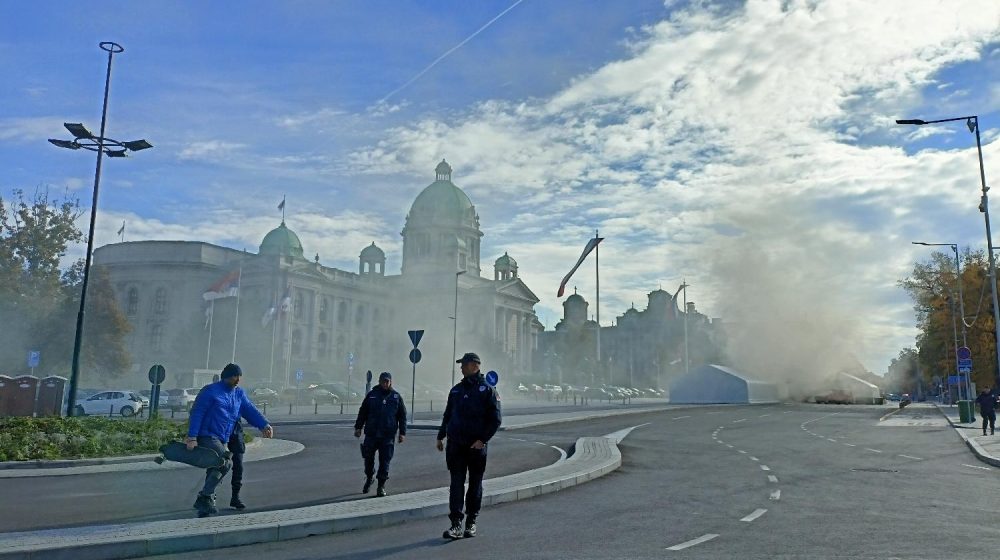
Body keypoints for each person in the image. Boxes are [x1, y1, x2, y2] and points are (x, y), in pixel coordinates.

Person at [186, 363, 273, 517]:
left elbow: (250, 410)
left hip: (223, 438)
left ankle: (206, 501)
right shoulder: (210, 392)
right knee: (224, 462)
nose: (238, 379)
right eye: (234, 376)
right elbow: (197, 413)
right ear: (226, 377)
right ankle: (205, 497)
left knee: (217, 466)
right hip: (207, 435)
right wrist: (192, 437)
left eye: (239, 376)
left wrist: (264, 424)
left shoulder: (238, 394)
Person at [436, 352, 502, 539]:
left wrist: (483, 439)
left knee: (475, 484)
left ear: (475, 366)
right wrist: (440, 436)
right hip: (456, 445)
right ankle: (455, 524)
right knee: (456, 484)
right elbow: (448, 415)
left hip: (476, 447)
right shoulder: (456, 390)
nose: (461, 368)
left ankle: (471, 522)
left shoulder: (487, 390)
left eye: (464, 364)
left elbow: (495, 419)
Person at [354, 371, 407, 497]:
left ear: (391, 382)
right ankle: (369, 476)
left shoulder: (396, 397)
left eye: (387, 381)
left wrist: (402, 433)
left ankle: (381, 486)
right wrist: (358, 427)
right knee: (368, 459)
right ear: (379, 381)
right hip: (372, 434)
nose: (385, 383)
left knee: (385, 462)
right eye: (383, 381)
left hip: (387, 435)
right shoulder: (372, 395)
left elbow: (402, 416)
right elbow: (363, 412)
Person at [228, 420, 247, 509]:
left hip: (236, 431)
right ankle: (208, 497)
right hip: (217, 431)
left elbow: (249, 409)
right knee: (216, 465)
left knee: (238, 467)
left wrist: (264, 425)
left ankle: (235, 497)